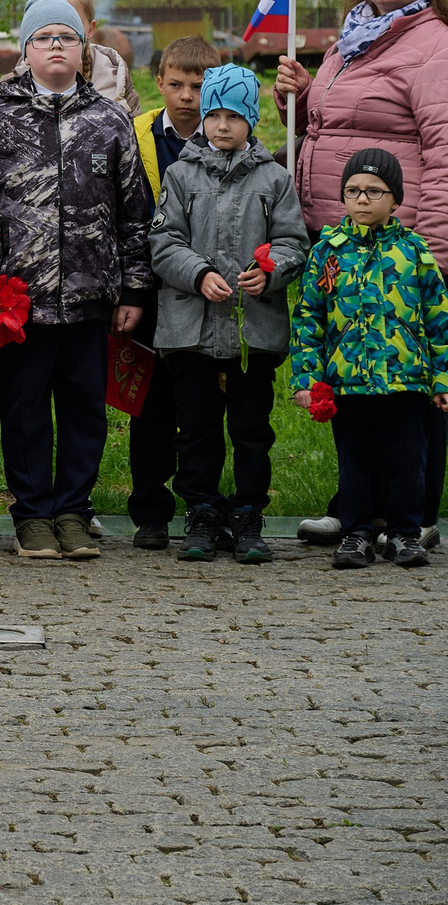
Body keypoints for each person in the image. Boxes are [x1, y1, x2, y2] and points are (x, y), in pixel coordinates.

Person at [275, 0, 448, 548]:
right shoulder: (352, 39)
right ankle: (358, 506)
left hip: (401, 251)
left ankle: (413, 515)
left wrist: (431, 250)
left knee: (407, 388)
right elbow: (330, 125)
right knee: (356, 381)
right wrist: (294, 97)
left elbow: (443, 149)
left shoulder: (433, 47)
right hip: (342, 247)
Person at [0, 0, 151, 561]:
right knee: (24, 409)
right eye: (43, 38)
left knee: (84, 408)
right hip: (22, 303)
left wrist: (134, 288)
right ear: (25, 50)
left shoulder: (110, 120)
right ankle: (32, 515)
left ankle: (72, 510)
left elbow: (134, 212)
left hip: (92, 297)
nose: (56, 48)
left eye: (66, 38)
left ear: (83, 49)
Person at [146, 64, 307, 565]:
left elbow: (293, 242)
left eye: (233, 115)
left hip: (251, 332)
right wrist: (196, 274)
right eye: (212, 113)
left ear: (251, 121)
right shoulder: (179, 174)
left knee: (251, 427)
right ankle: (201, 511)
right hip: (191, 330)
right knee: (194, 427)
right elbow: (162, 241)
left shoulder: (274, 178)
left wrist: (271, 270)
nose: (220, 125)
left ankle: (247, 514)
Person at [290, 150, 448, 570]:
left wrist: (442, 378)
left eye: (374, 191)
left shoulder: (415, 252)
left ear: (395, 199)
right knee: (354, 461)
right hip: (348, 380)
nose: (362, 199)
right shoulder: (328, 252)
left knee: (407, 460)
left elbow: (438, 317)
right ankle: (356, 532)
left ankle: (403, 533)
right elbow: (309, 317)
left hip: (405, 381)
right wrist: (306, 377)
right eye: (353, 191)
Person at [121, 35, 218, 548]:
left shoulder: (227, 136)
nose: (187, 96)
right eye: (176, 84)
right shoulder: (136, 135)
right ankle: (150, 509)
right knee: (150, 404)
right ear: (158, 83)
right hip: (151, 287)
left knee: (199, 403)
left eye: (199, 86)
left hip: (205, 290)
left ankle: (203, 504)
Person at [37, 0, 135, 109]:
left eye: (71, 24)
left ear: (90, 29)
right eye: (47, 25)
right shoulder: (11, 86)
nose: (57, 41)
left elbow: (134, 127)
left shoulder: (116, 76)